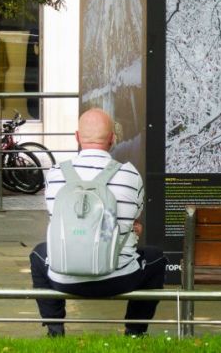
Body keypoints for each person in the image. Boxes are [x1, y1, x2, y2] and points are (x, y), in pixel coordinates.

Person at [29, 108, 166, 337]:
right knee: (156, 258)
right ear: (113, 138)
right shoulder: (130, 176)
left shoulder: (55, 174)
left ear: (77, 137)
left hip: (64, 279)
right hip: (119, 279)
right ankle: (135, 331)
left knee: (37, 254)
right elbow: (134, 220)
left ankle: (54, 330)